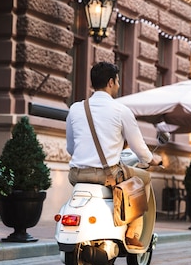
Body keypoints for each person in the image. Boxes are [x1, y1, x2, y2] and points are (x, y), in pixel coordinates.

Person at [66, 62, 161, 248]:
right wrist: (152, 160)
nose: (117, 85)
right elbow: (139, 147)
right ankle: (132, 233)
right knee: (144, 178)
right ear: (111, 82)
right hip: (107, 174)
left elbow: (71, 148)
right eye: (117, 81)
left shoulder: (75, 109)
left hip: (76, 174)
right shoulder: (121, 111)